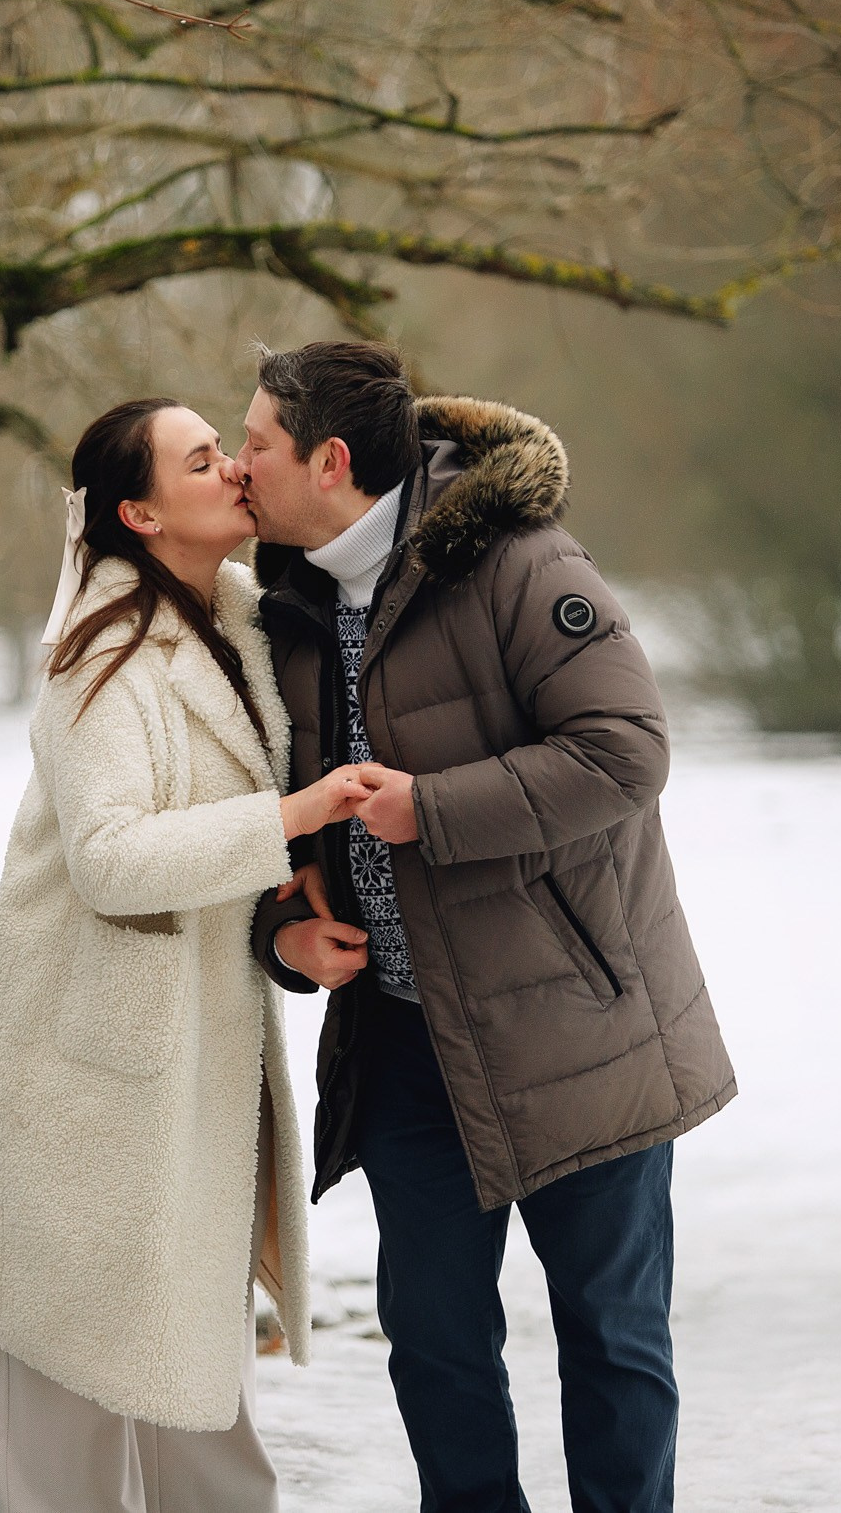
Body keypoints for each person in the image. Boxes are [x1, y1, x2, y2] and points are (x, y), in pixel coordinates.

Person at [236, 342, 737, 1513]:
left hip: (577, 1026)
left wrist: (432, 808)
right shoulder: (282, 603)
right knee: (435, 1348)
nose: (237, 462)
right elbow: (260, 812)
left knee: (610, 1341)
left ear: (331, 459)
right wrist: (280, 938)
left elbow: (625, 752)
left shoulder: (516, 560)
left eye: (255, 441)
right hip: (404, 1045)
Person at [0, 395, 371, 1513]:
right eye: (201, 458)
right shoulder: (97, 661)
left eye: (227, 447)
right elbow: (114, 862)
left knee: (204, 1412)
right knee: (64, 1444)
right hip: (72, 1088)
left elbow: (203, 867)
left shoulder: (232, 619)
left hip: (183, 1087)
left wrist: (280, 923)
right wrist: (296, 812)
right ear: (138, 511)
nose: (233, 467)